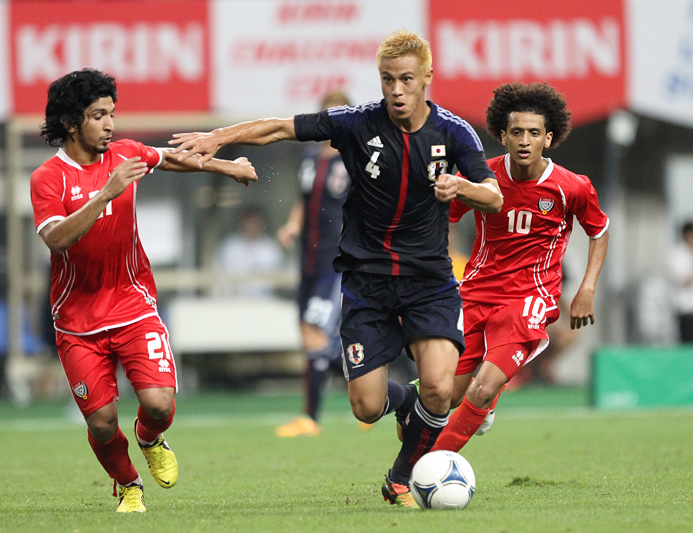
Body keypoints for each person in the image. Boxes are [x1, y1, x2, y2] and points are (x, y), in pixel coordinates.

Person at [171, 29, 503, 507]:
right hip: (368, 283)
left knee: (439, 388)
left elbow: (493, 195)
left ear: (427, 77)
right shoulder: (357, 122)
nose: (396, 90)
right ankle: (404, 403)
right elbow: (279, 127)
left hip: (429, 280)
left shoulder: (454, 132)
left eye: (407, 79)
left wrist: (462, 187)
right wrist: (218, 137)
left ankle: (401, 477)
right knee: (367, 407)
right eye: (387, 79)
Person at [29, 68, 257, 513]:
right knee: (101, 422)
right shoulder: (48, 178)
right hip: (77, 321)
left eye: (111, 114)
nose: (110, 125)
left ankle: (149, 438)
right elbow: (55, 238)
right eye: (99, 116)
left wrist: (225, 166)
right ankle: (129, 484)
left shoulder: (125, 153)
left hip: (132, 303)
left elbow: (168, 159)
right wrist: (105, 194)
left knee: (158, 403)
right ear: (72, 123)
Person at [429, 82, 609, 453]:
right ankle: (426, 413)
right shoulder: (483, 178)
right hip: (476, 292)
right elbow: (444, 218)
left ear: (548, 138)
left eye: (533, 133)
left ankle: (428, 467)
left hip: (529, 298)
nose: (524, 141)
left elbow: (599, 231)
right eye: (516, 132)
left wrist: (587, 288)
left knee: (483, 388)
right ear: (502, 136)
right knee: (443, 396)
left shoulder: (571, 187)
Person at [274, 89, 352, 438]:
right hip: (307, 260)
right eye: (327, 117)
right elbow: (303, 203)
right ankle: (370, 386)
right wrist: (293, 226)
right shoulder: (309, 158)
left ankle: (311, 417)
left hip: (335, 262)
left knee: (313, 330)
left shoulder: (353, 159)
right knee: (311, 338)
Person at [216, 205, 285, 297]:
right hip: (234, 301)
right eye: (248, 222)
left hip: (265, 301)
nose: (251, 226)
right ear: (242, 223)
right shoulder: (230, 246)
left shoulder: (270, 248)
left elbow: (278, 280)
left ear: (260, 223)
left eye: (254, 222)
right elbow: (220, 276)